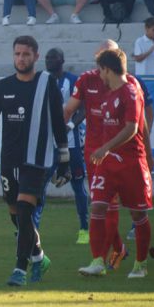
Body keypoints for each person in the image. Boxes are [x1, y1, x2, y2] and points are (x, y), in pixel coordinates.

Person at [0, 36, 71, 287]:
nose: (21, 58)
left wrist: (64, 159)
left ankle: (20, 269)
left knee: (24, 210)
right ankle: (39, 256)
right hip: (9, 160)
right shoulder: (2, 86)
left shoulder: (47, 84)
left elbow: (58, 121)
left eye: (26, 54)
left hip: (37, 159)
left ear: (35, 56)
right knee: (16, 214)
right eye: (17, 54)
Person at [78, 48, 152, 279]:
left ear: (107, 69)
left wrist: (105, 147)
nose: (99, 76)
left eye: (100, 71)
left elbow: (132, 128)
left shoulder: (131, 92)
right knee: (98, 207)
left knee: (137, 215)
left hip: (131, 164)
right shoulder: (108, 95)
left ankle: (140, 264)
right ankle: (97, 261)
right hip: (108, 164)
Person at [64, 40, 137, 271]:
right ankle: (115, 250)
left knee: (111, 206)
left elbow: (138, 121)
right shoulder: (86, 79)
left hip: (119, 153)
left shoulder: (128, 83)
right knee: (100, 204)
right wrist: (58, 142)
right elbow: (69, 109)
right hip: (93, 151)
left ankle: (105, 259)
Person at [32, 48, 88, 244]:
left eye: (53, 57)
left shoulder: (73, 80)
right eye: (46, 57)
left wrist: (71, 124)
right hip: (49, 145)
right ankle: (33, 230)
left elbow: (83, 107)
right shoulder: (41, 80)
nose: (48, 60)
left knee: (78, 185)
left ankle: (84, 228)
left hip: (71, 144)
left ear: (62, 60)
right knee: (40, 186)